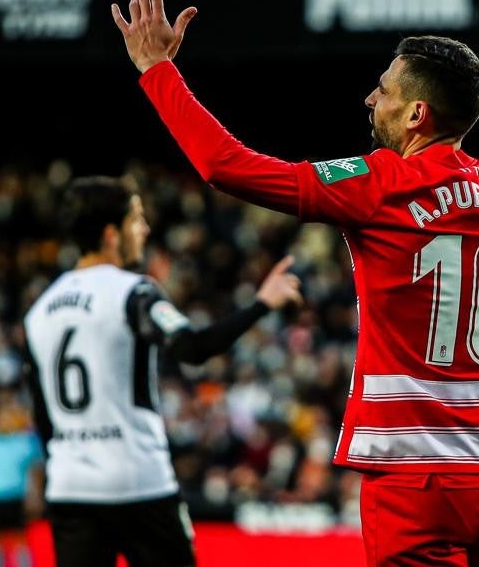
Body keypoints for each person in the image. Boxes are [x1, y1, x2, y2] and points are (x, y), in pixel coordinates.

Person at [110, 0, 479, 566]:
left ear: (416, 115)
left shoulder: (379, 185)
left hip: (415, 479)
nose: (370, 101)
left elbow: (226, 166)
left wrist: (156, 72)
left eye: (383, 91)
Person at [22, 175, 303, 567]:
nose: (145, 229)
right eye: (136, 220)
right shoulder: (132, 292)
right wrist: (261, 304)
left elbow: (42, 413)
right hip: (138, 482)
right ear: (110, 234)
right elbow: (193, 348)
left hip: (71, 488)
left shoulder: (40, 310)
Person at [0, 392, 43, 567]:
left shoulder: (26, 441)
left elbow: (35, 471)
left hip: (18, 496)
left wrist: (35, 496)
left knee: (21, 540)